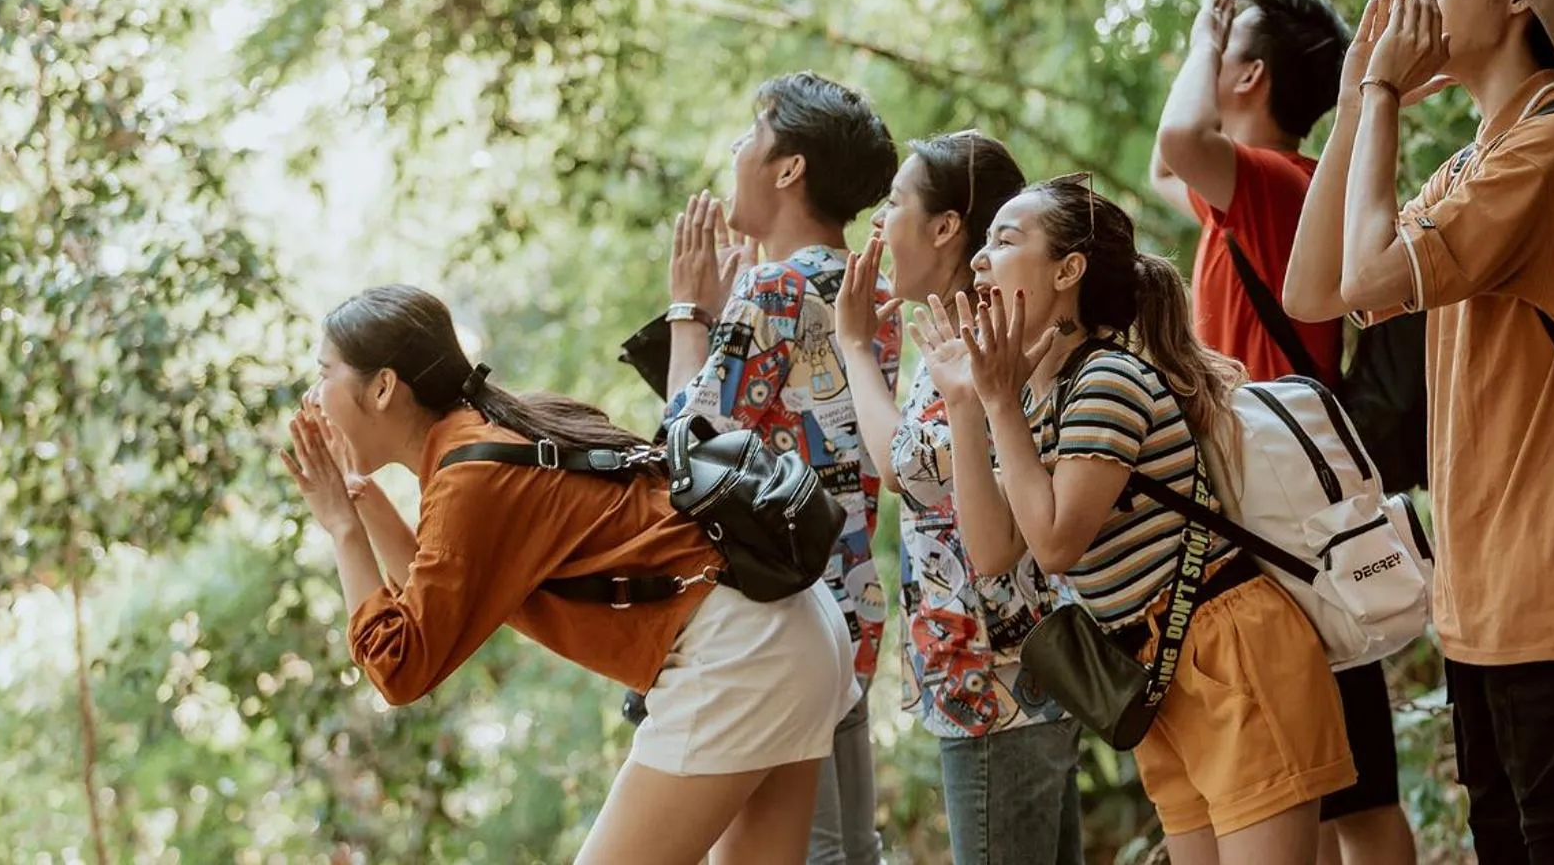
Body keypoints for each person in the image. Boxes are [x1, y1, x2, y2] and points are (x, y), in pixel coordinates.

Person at [1281, 0, 1554, 864]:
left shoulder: (1553, 151)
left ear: (1514, 0)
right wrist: (1350, 102)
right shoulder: (1470, 165)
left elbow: (1367, 274)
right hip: (1483, 612)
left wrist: (1378, 95)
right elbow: (1313, 291)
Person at [279, 284, 857, 865]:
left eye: (323, 372)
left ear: (382, 387)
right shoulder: (489, 435)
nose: (313, 396)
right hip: (790, 627)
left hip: (740, 650)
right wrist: (359, 499)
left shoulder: (472, 481)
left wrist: (343, 530)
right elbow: (436, 601)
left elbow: (400, 665)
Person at [914, 174, 1357, 865]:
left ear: (1068, 270)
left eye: (1004, 240)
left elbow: (1057, 543)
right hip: (1152, 671)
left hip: (1231, 653)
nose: (978, 260)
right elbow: (995, 551)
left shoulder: (1106, 380)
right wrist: (968, 406)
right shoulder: (1039, 398)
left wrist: (997, 404)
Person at [1149, 0, 1417, 865]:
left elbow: (1178, 137)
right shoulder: (1248, 192)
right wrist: (1210, 44)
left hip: (1285, 524)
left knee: (1357, 803)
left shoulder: (1275, 185)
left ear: (1250, 77)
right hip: (1269, 525)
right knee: (1335, 793)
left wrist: (1200, 37)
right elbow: (1167, 159)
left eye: (1227, 45)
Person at [663, 71, 901, 865]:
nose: (735, 151)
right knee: (848, 848)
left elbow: (685, 452)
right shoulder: (873, 291)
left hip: (775, 618)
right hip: (853, 599)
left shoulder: (773, 287)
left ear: (788, 166)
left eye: (748, 135)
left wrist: (689, 313)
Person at [833, 130, 1084, 865]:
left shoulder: (990, 335)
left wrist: (852, 348)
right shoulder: (961, 328)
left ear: (947, 226)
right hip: (995, 676)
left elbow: (907, 468)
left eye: (894, 202)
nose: (879, 222)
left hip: (997, 679)